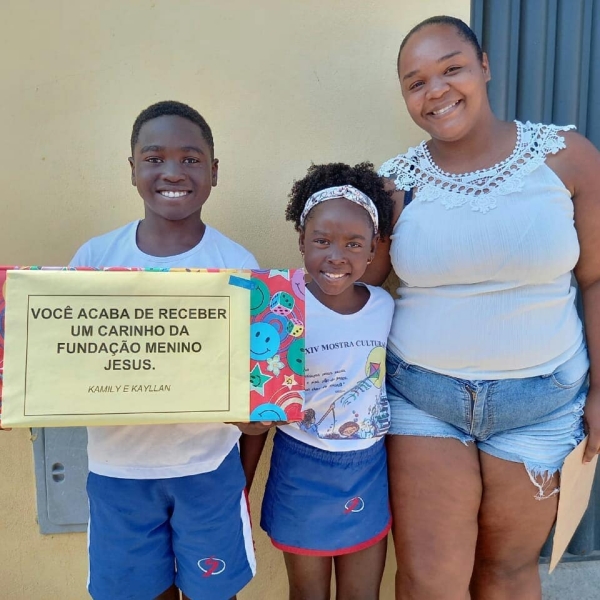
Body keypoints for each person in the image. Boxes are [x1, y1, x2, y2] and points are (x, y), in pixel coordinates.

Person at [363, 15, 600, 600]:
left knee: (506, 574)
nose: (436, 91)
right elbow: (355, 289)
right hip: (425, 400)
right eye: (416, 82)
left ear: (485, 66)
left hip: (543, 403)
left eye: (452, 69)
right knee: (431, 581)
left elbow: (596, 279)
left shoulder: (566, 157)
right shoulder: (394, 184)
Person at [70, 100, 262, 600]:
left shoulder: (239, 265)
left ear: (214, 171)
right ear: (131, 168)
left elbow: (257, 384)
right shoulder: (94, 260)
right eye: (154, 158)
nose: (172, 172)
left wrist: (256, 417)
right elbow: (67, 365)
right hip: (118, 472)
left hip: (208, 469)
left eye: (190, 159)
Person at [260, 162, 395, 600]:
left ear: (373, 249)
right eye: (322, 241)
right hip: (302, 466)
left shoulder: (384, 306)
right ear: (301, 240)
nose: (336, 256)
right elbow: (258, 406)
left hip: (367, 466)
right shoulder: (280, 309)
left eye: (353, 244)